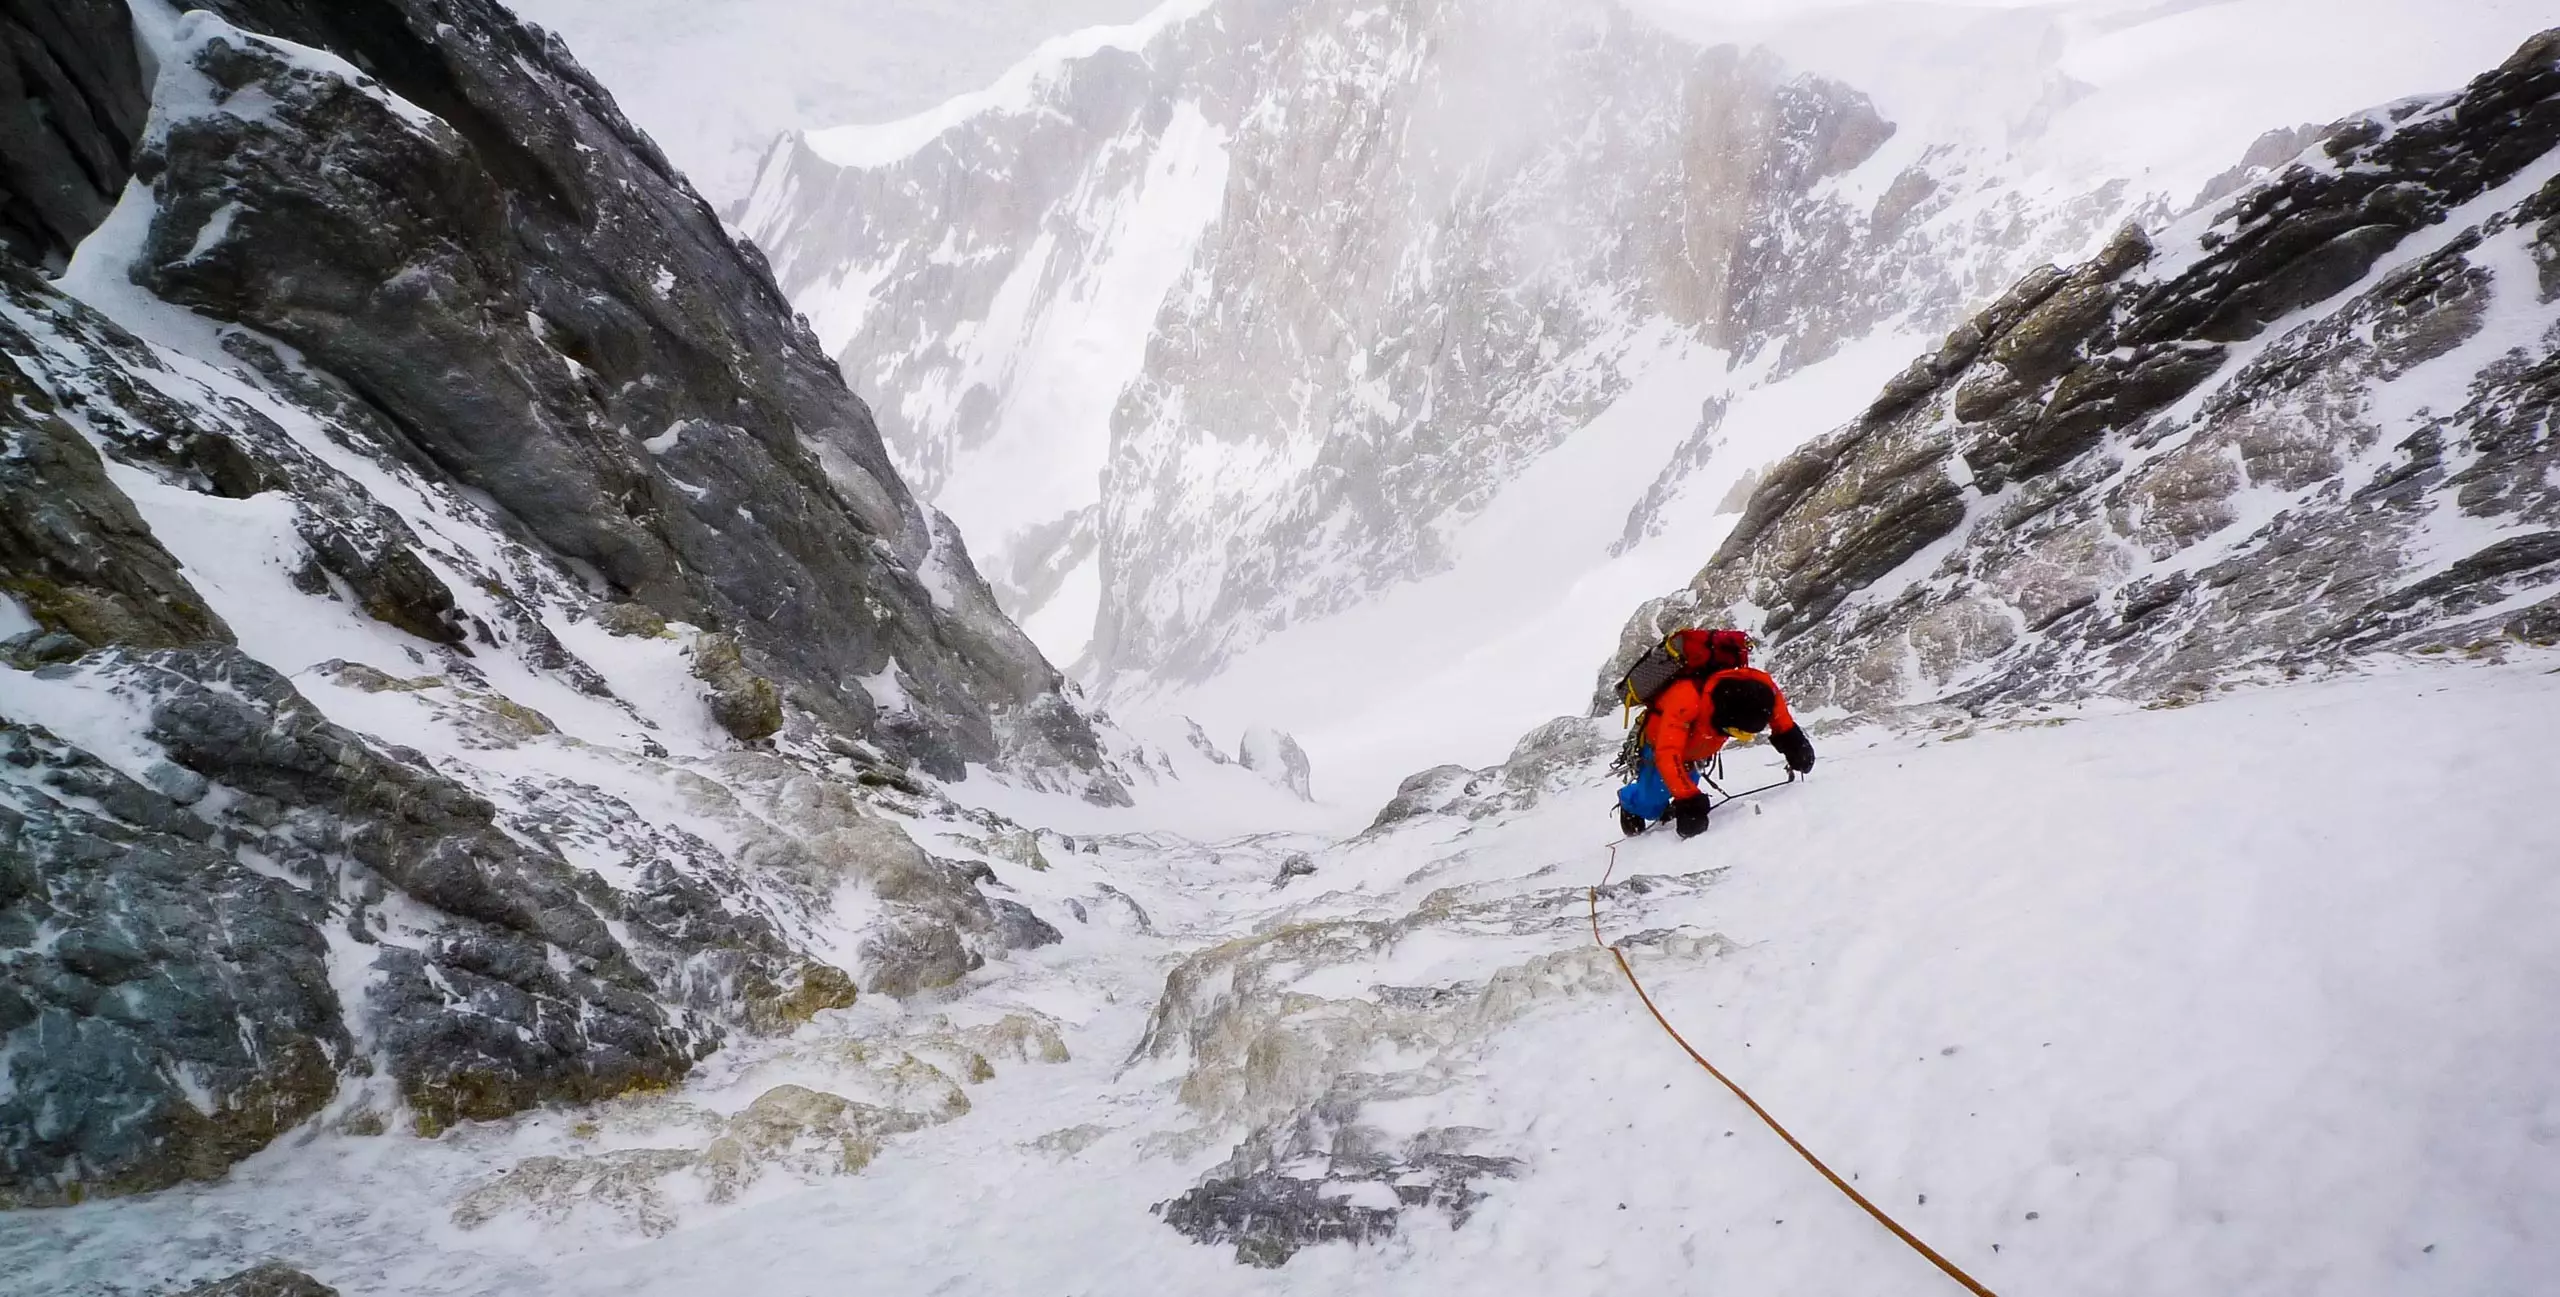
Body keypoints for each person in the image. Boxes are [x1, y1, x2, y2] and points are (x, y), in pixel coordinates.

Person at [1616, 632, 1814, 839]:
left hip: (1697, 749)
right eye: (1737, 733)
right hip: (1659, 746)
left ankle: (1672, 800)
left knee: (1684, 785)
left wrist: (1794, 743)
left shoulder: (1761, 691)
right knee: (1652, 804)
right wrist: (1689, 800)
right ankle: (1629, 802)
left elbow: (1780, 714)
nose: (1739, 737)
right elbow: (1668, 753)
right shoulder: (1686, 698)